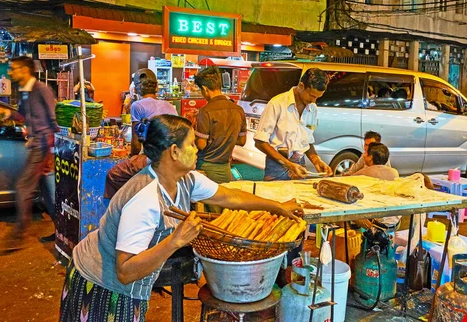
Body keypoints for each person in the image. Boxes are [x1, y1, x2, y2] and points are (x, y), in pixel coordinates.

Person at [59, 115, 303, 321]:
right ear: (174, 151)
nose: (197, 148)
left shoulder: (187, 179)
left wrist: (277, 207)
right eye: (191, 144)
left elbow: (230, 198)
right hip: (101, 284)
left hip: (128, 285)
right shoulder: (145, 199)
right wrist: (175, 240)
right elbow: (125, 271)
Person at [0, 56, 58, 247]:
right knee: (48, 193)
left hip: (43, 147)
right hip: (37, 146)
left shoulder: (41, 89)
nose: (10, 72)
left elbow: (54, 120)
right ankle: (62, 232)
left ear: (25, 70)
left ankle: (18, 234)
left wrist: (51, 151)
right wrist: (7, 113)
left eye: (13, 69)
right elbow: (22, 115)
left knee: (23, 187)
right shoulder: (25, 91)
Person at [254, 68, 333, 180]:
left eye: (317, 98)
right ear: (301, 86)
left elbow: (307, 141)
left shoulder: (313, 109)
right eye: (312, 96)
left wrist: (316, 160)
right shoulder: (277, 104)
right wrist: (288, 164)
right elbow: (260, 142)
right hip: (277, 165)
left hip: (299, 165)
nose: (314, 101)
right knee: (275, 197)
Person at [194, 66, 246, 191]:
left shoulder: (205, 111)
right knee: (224, 205)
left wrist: (192, 134)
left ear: (205, 89)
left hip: (207, 168)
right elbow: (242, 141)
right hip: (226, 168)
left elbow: (201, 144)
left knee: (209, 207)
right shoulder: (238, 110)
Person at [130, 68, 178, 156]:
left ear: (135, 90)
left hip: (154, 157)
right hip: (173, 154)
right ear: (156, 88)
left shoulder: (137, 106)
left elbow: (136, 145)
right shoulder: (169, 105)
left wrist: (131, 157)